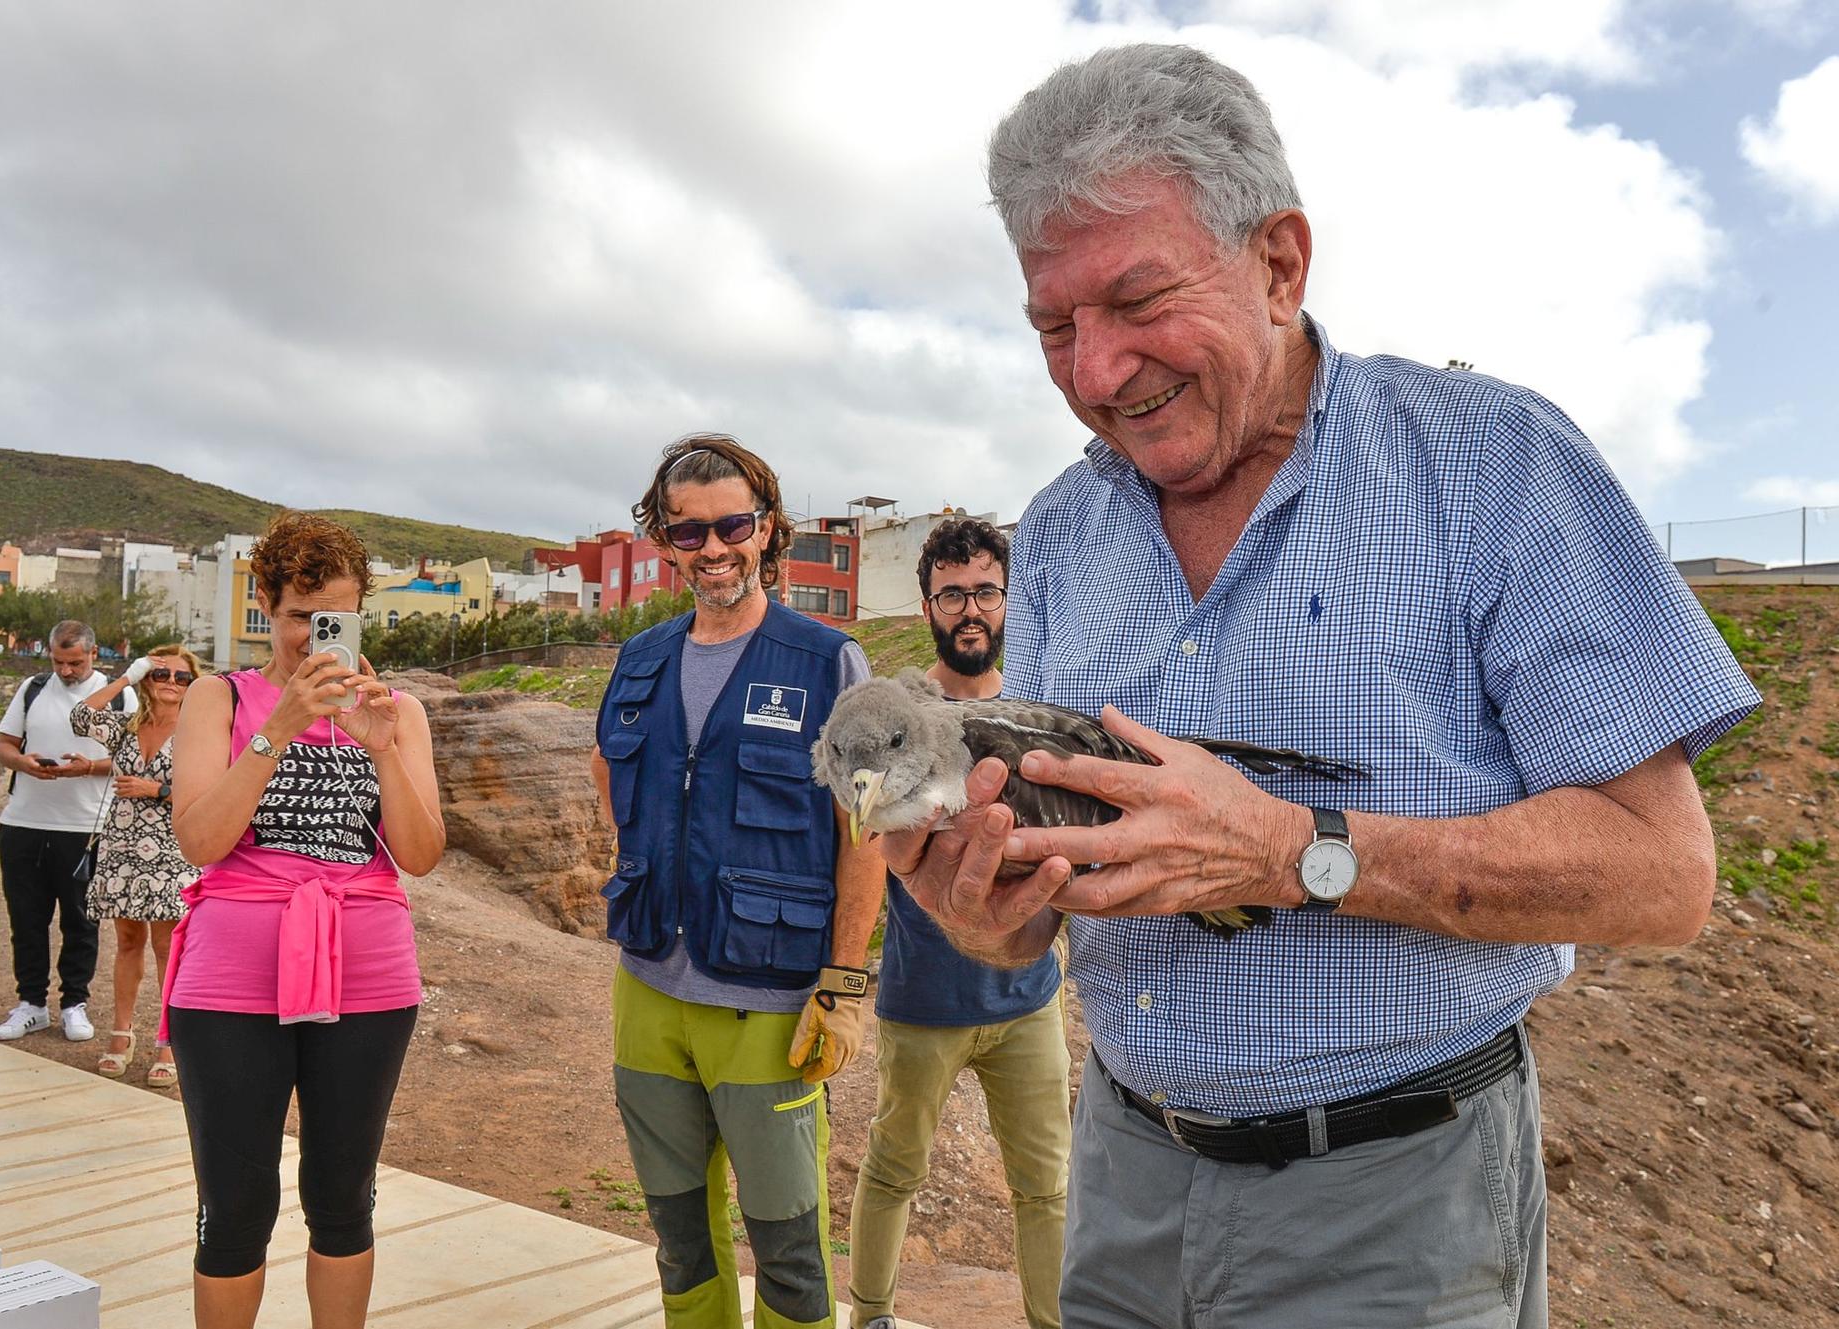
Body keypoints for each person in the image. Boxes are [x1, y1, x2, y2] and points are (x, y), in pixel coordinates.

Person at [882, 44, 1762, 1329]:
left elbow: (1662, 878)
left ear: (1279, 262)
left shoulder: (1487, 465)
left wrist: (1294, 852)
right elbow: (1026, 929)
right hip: (1120, 1180)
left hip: (1393, 1204)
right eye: (1054, 327)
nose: (1091, 373)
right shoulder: (1057, 534)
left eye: (1135, 302)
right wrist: (973, 904)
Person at [590, 435, 882, 1329]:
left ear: (765, 530)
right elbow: (612, 780)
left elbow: (863, 834)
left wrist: (842, 981)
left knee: (789, 1254)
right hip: (649, 991)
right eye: (689, 532)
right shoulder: (639, 659)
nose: (713, 548)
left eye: (733, 525)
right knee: (679, 1239)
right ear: (665, 540)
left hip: (769, 1000)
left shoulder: (827, 663)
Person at [168, 510, 442, 1329]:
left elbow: (421, 854)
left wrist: (384, 745)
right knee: (236, 1204)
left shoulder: (401, 711)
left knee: (343, 1195)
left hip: (369, 973)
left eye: (337, 617)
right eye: (299, 615)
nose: (314, 636)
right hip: (230, 978)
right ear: (265, 603)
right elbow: (199, 839)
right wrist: (278, 730)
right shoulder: (219, 698)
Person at [846, 518, 1069, 1329]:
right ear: (927, 603)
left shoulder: (1037, 705)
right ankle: (869, 1317)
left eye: (983, 591)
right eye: (952, 594)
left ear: (1005, 600)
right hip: (923, 999)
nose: (968, 609)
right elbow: (868, 847)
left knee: (1046, 1183)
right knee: (894, 1166)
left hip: (1029, 999)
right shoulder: (898, 713)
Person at [0, 620, 133, 1043]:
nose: (65, 671)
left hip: (85, 826)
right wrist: (23, 762)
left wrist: (88, 767)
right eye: (58, 662)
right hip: (23, 822)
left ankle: (74, 1004)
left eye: (74, 662)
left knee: (81, 921)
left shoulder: (120, 694)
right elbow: (3, 746)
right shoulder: (33, 688)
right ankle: (31, 1004)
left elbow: (135, 758)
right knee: (27, 920)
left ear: (94, 654)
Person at [71, 642, 202, 1089]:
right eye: (161, 674)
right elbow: (81, 717)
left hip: (172, 848)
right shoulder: (129, 725)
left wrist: (157, 791)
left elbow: (214, 791)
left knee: (168, 948)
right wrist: (129, 674)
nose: (171, 683)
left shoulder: (201, 731)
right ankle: (121, 1034)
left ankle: (168, 1044)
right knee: (127, 941)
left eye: (181, 677)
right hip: (122, 845)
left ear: (193, 684)